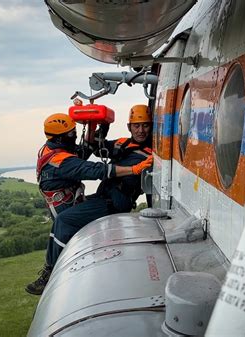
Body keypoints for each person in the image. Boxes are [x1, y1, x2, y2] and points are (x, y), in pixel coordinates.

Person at [25, 104, 153, 295]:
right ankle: (59, 265)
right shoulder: (123, 144)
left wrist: (97, 128)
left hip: (115, 202)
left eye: (145, 125)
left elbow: (94, 160)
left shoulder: (152, 154)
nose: (141, 130)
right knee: (67, 219)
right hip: (105, 196)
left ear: (151, 126)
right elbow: (95, 152)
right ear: (129, 127)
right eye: (137, 126)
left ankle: (51, 273)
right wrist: (97, 129)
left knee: (64, 220)